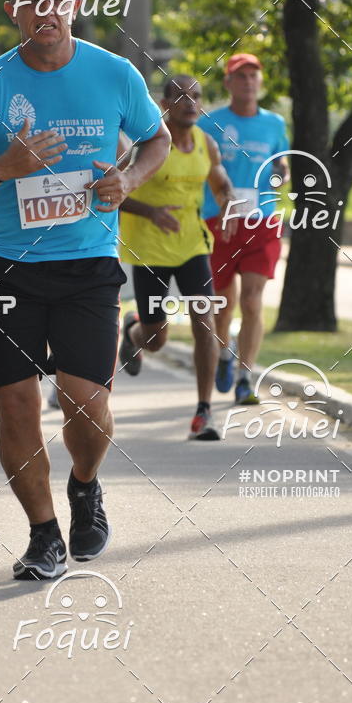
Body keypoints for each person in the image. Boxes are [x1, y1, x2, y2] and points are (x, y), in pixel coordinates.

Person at [0, 0, 170, 580]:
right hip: (8, 268)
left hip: (89, 263)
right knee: (16, 406)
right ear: (14, 11)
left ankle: (85, 483)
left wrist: (129, 177)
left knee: (84, 404)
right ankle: (43, 535)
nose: (46, 8)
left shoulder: (114, 73)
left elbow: (156, 138)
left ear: (75, 7)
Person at [119, 74, 237, 440]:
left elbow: (220, 183)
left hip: (192, 246)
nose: (190, 102)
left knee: (206, 320)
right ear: (165, 103)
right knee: (157, 339)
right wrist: (151, 212)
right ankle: (134, 330)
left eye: (196, 96)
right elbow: (116, 190)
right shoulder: (147, 144)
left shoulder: (207, 144)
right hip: (149, 250)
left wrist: (228, 204)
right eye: (181, 96)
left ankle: (204, 412)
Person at [198, 53, 290, 405]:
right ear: (228, 83)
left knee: (252, 301)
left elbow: (282, 162)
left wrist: (282, 173)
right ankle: (224, 353)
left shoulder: (275, 123)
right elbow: (200, 166)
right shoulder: (209, 123)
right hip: (218, 222)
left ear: (260, 82)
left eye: (253, 76)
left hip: (262, 220)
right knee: (223, 303)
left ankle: (245, 376)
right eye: (241, 76)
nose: (248, 82)